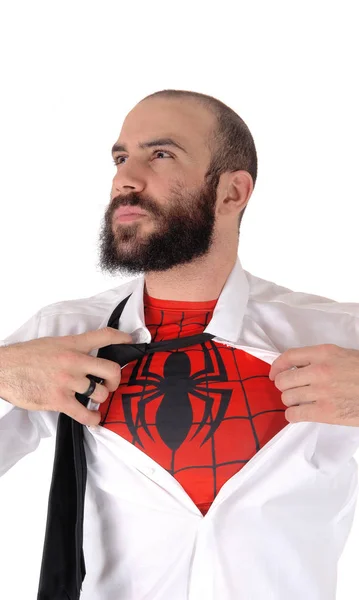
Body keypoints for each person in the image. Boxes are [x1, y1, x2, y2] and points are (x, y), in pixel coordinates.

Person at [1, 89, 359, 600]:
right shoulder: (64, 340)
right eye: (121, 157)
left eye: (160, 154)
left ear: (232, 193)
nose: (126, 177)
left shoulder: (335, 338)